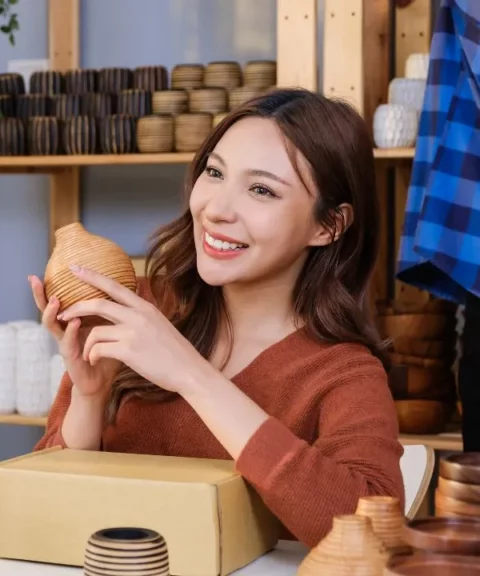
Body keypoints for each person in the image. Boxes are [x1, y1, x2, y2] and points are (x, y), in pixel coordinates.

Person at [30, 88, 404, 548]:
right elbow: (45, 503)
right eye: (215, 172)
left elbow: (372, 536)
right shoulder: (142, 311)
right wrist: (90, 396)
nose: (216, 210)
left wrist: (193, 376)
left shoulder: (344, 374)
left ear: (328, 226)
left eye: (261, 190)